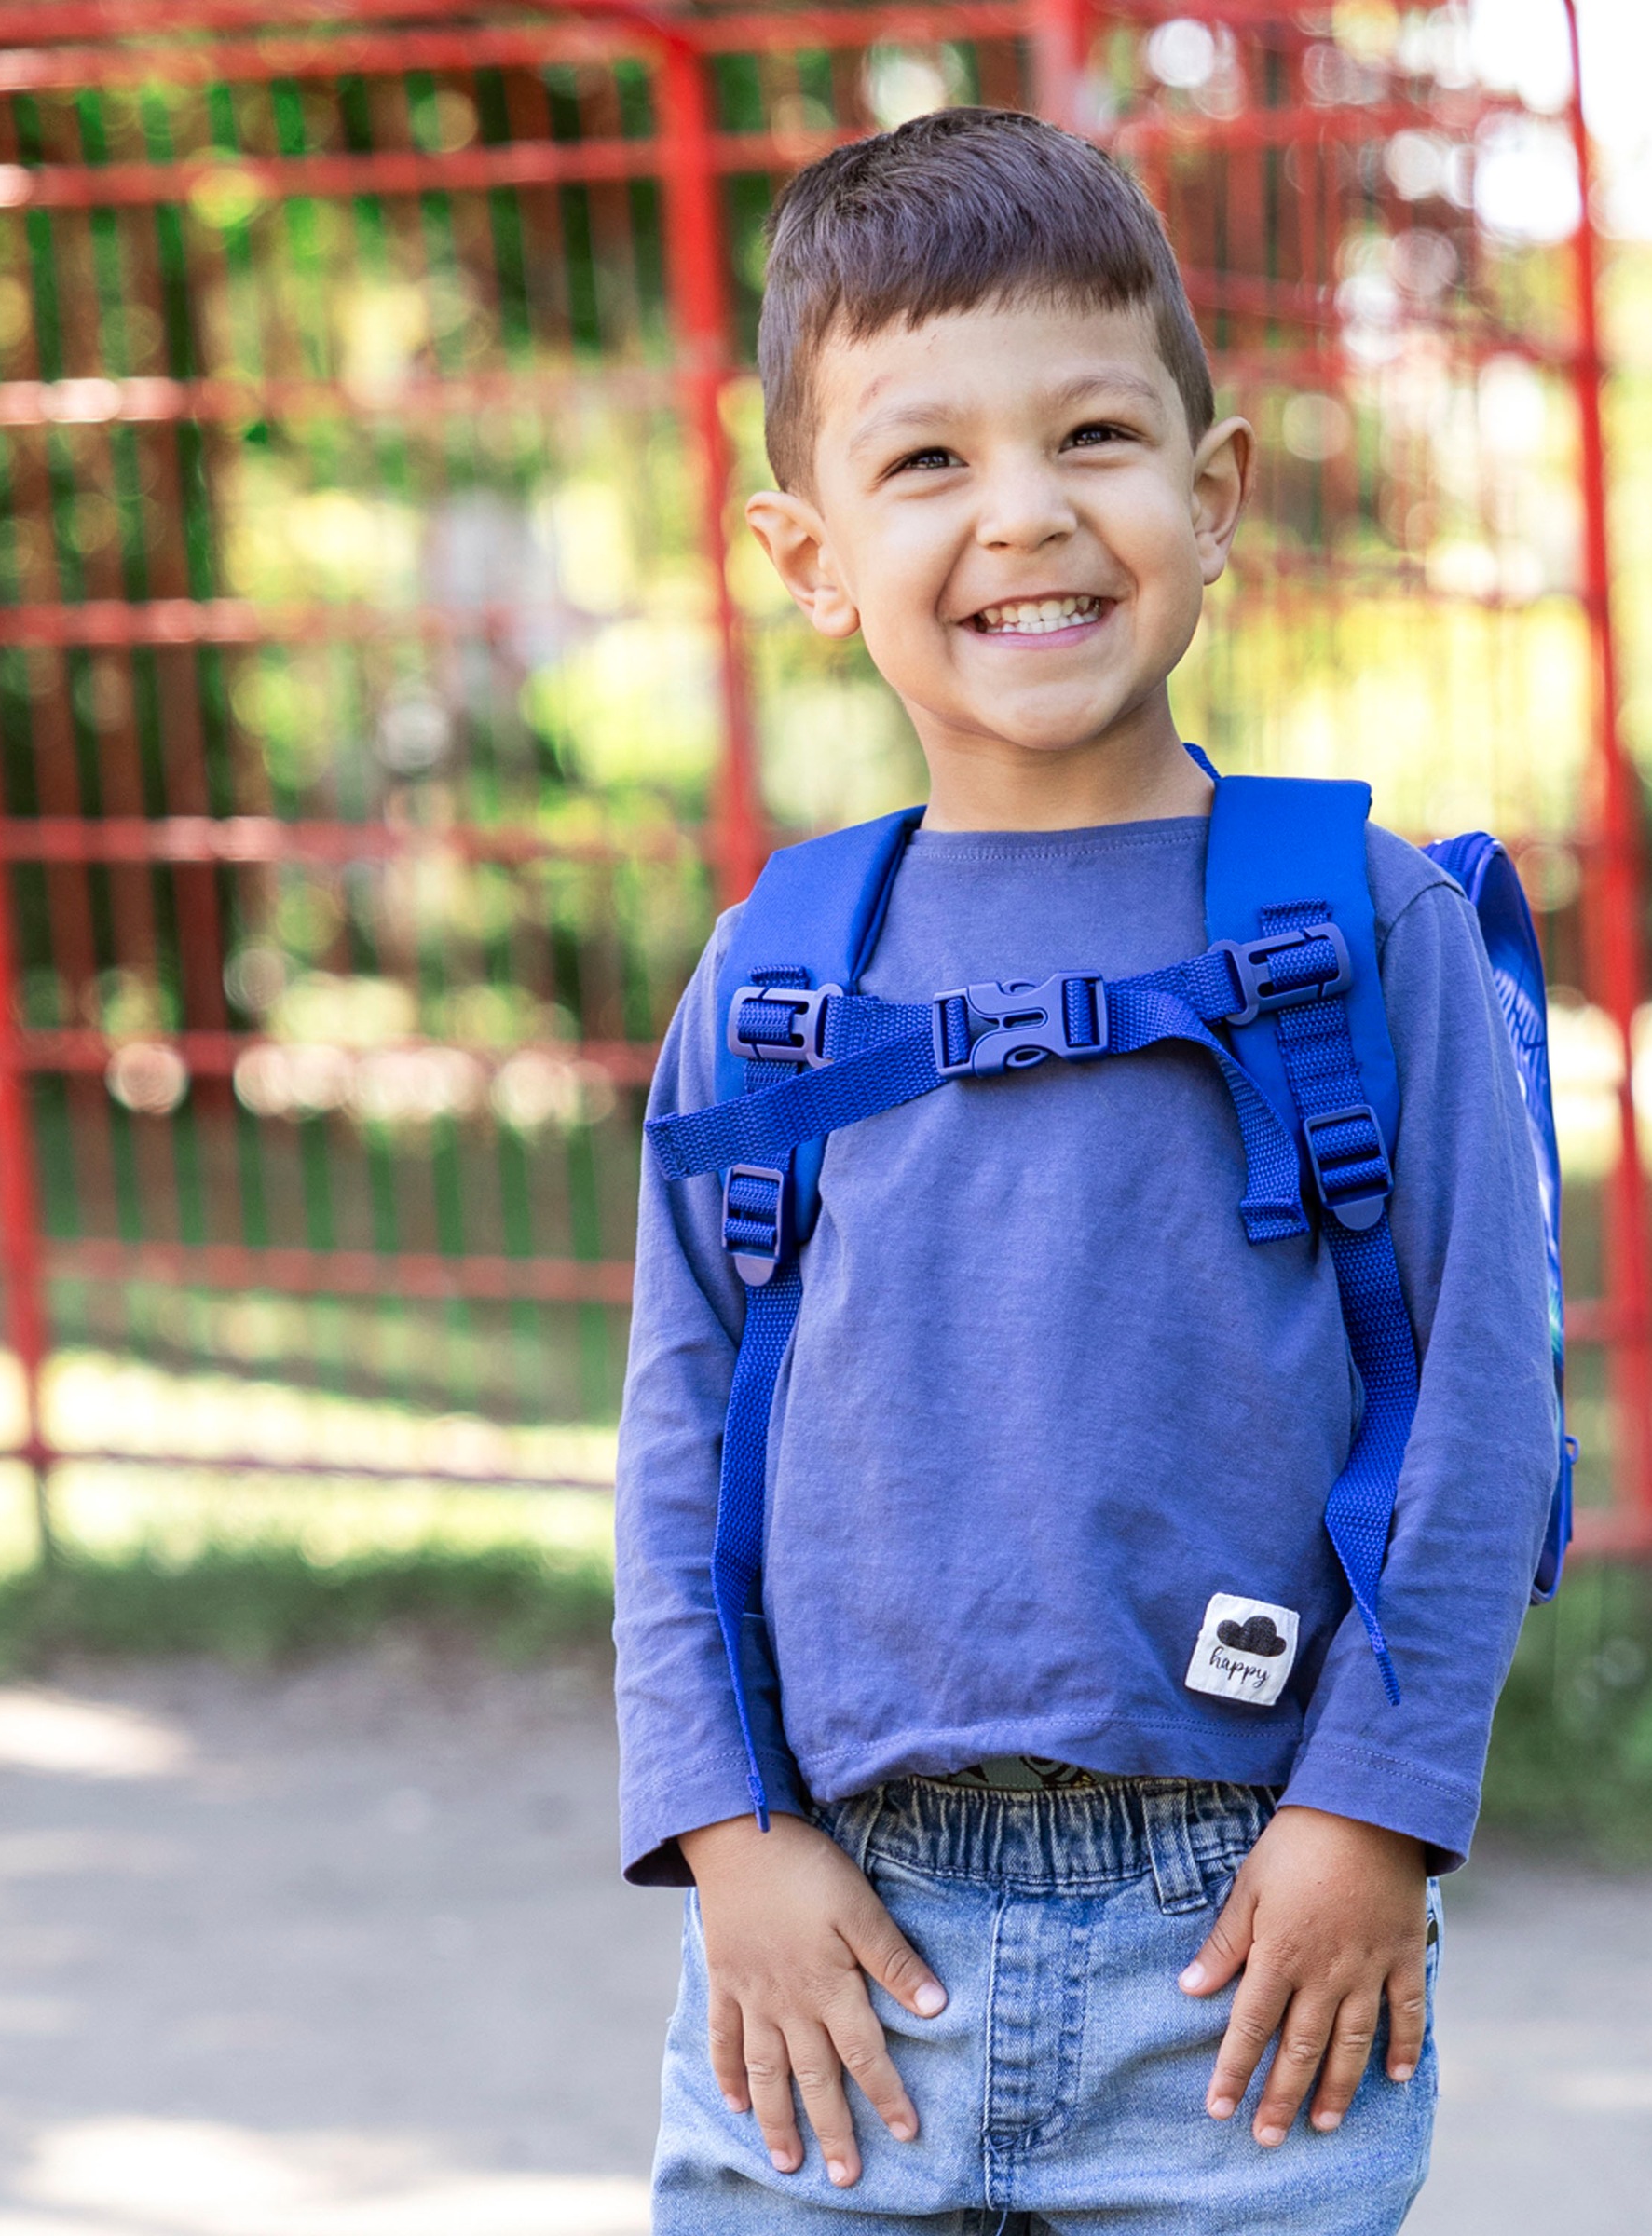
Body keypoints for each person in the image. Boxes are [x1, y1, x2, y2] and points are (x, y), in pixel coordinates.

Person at [615, 106, 1557, 2235]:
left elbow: (1482, 1412)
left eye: (1095, 437)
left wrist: (1375, 1815)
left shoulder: (1367, 925)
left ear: (1211, 496)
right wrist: (727, 1837)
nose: (1025, 513)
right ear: (809, 555)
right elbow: (678, 1433)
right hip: (827, 1943)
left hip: (1249, 1937)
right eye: (928, 460)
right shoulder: (775, 972)